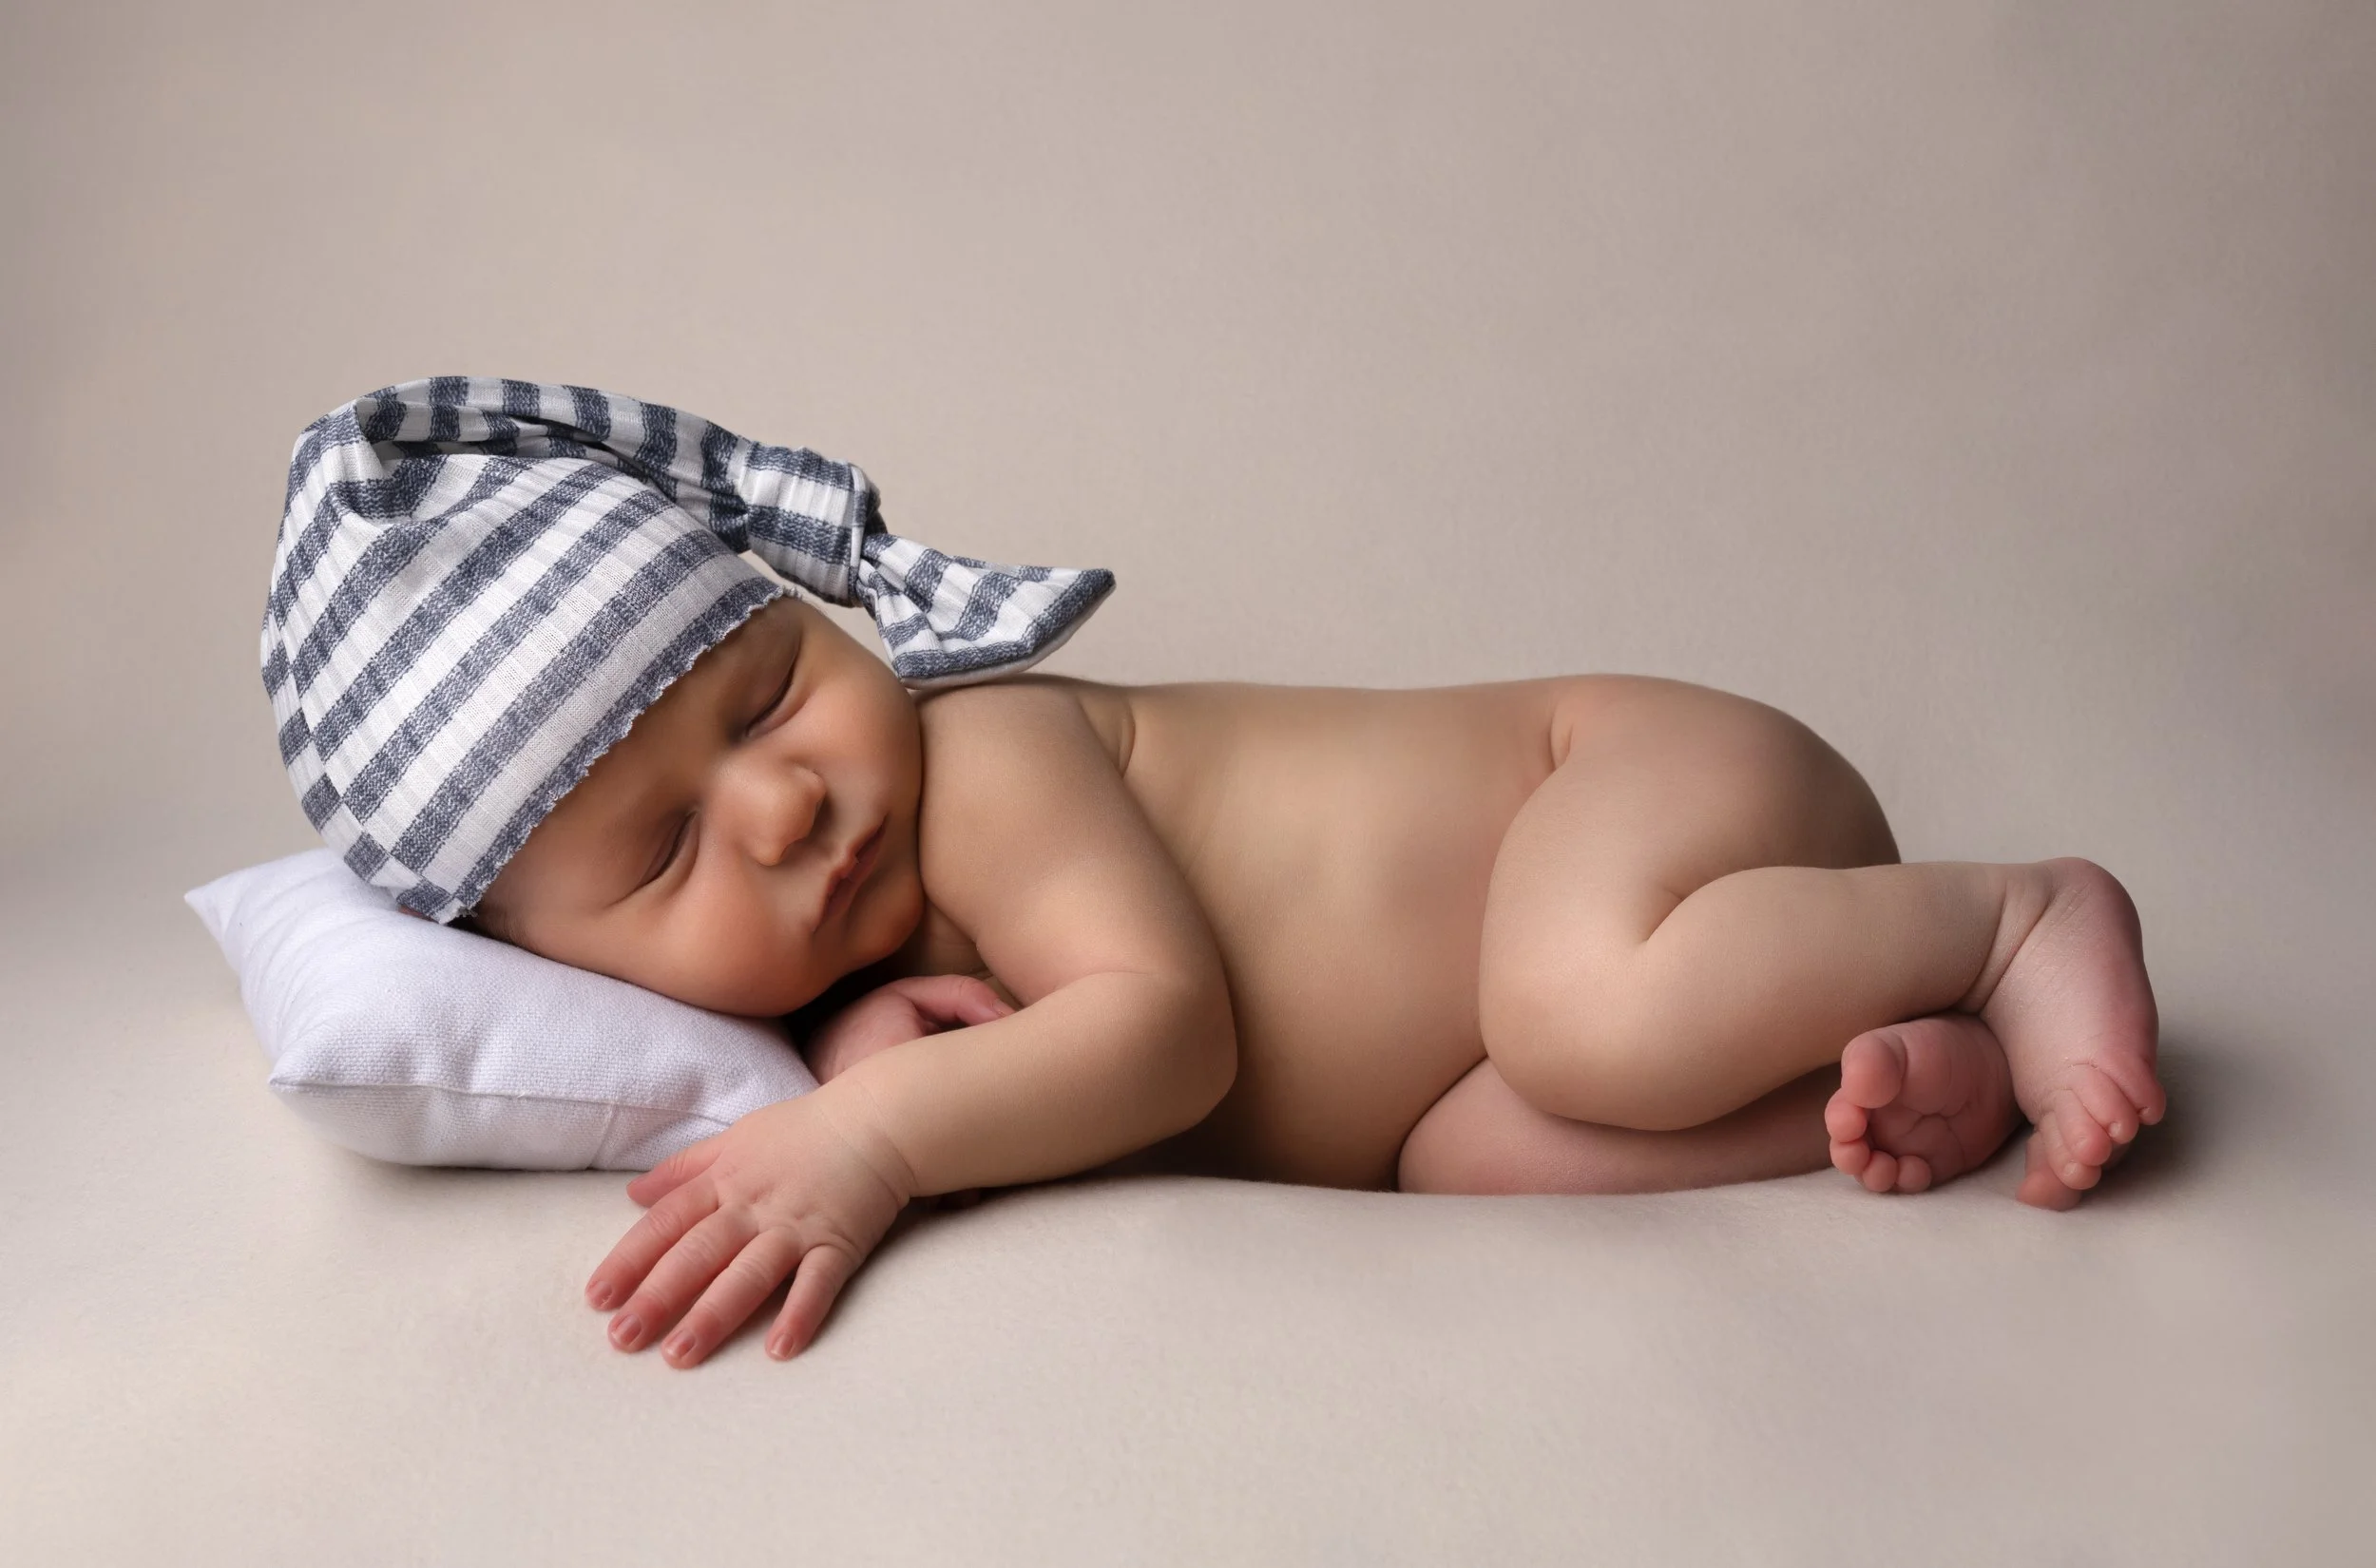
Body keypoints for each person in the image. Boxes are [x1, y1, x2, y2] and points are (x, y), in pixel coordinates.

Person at [267, 379, 2163, 1371]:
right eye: (669, 848)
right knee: (1480, 1162)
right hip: (1482, 1066)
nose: (778, 807)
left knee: (1575, 1012)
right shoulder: (855, 974)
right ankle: (1907, 1044)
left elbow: (1160, 1039)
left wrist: (876, 1139)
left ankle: (2012, 916)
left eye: (768, 688)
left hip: (1622, 785)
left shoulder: (983, 758)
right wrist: (883, 1050)